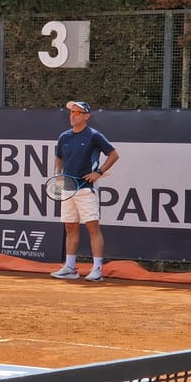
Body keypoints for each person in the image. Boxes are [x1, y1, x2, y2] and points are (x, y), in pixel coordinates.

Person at [51, 100, 119, 282]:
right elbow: (58, 157)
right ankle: (70, 268)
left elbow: (113, 155)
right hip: (68, 188)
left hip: (86, 188)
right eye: (71, 112)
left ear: (86, 116)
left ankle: (97, 270)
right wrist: (57, 173)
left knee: (92, 227)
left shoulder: (94, 136)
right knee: (70, 227)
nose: (72, 115)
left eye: (77, 113)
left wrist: (99, 172)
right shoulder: (64, 137)